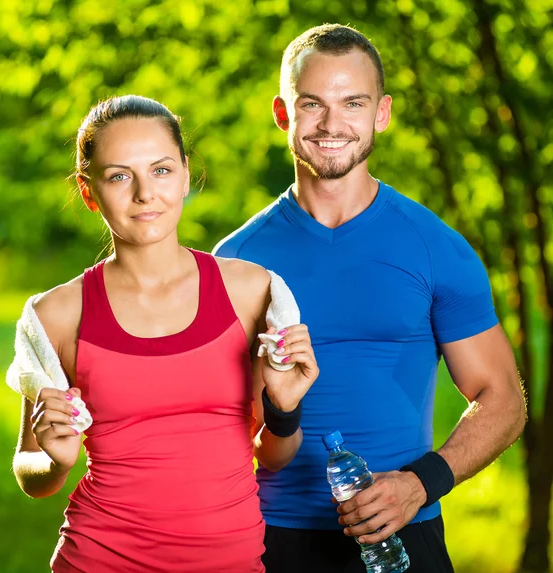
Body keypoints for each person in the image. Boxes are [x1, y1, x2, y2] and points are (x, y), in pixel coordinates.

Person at [213, 24, 526, 573]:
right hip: (265, 539)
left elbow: (503, 399)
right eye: (312, 104)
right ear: (283, 113)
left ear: (381, 113)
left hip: (404, 534)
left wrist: (418, 484)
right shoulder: (235, 260)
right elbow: (213, 419)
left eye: (352, 103)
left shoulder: (435, 247)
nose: (332, 124)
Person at [10, 95, 319, 573]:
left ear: (184, 172)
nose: (144, 194)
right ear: (88, 191)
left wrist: (284, 407)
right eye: (118, 176)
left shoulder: (252, 292)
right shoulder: (55, 314)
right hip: (98, 560)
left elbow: (274, 457)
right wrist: (55, 460)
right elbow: (33, 476)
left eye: (160, 170)